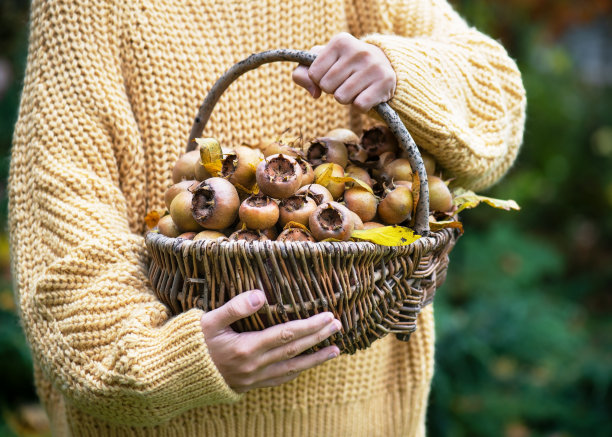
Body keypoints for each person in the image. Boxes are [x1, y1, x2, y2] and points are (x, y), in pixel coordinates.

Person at [8, 0, 525, 435]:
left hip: (360, 415)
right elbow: (61, 202)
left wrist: (404, 71)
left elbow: (497, 100)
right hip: (170, 424)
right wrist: (163, 361)